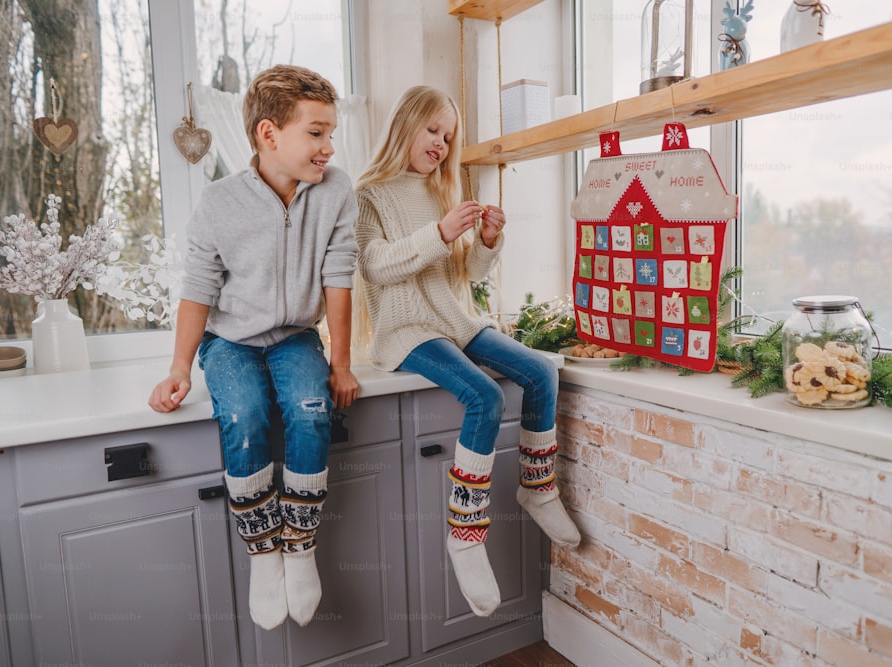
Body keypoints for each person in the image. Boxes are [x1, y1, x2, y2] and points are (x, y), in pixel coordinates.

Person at [353, 85, 580, 618]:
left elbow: (467, 275)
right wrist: (438, 231)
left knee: (541, 371)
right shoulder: (368, 194)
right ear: (405, 124)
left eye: (448, 136)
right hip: (407, 329)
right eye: (433, 130)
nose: (441, 143)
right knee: (483, 396)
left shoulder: (443, 190)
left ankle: (538, 489)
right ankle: (466, 533)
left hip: (456, 319)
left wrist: (486, 242)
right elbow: (376, 266)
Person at [148, 64, 359, 631]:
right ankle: (264, 554)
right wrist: (179, 369)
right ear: (270, 135)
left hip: (294, 337)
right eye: (316, 133)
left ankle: (301, 546)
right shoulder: (219, 201)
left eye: (330, 133)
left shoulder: (336, 190)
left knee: (310, 412)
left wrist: (340, 364)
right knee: (242, 416)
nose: (328, 147)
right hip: (230, 342)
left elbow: (340, 277)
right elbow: (197, 290)